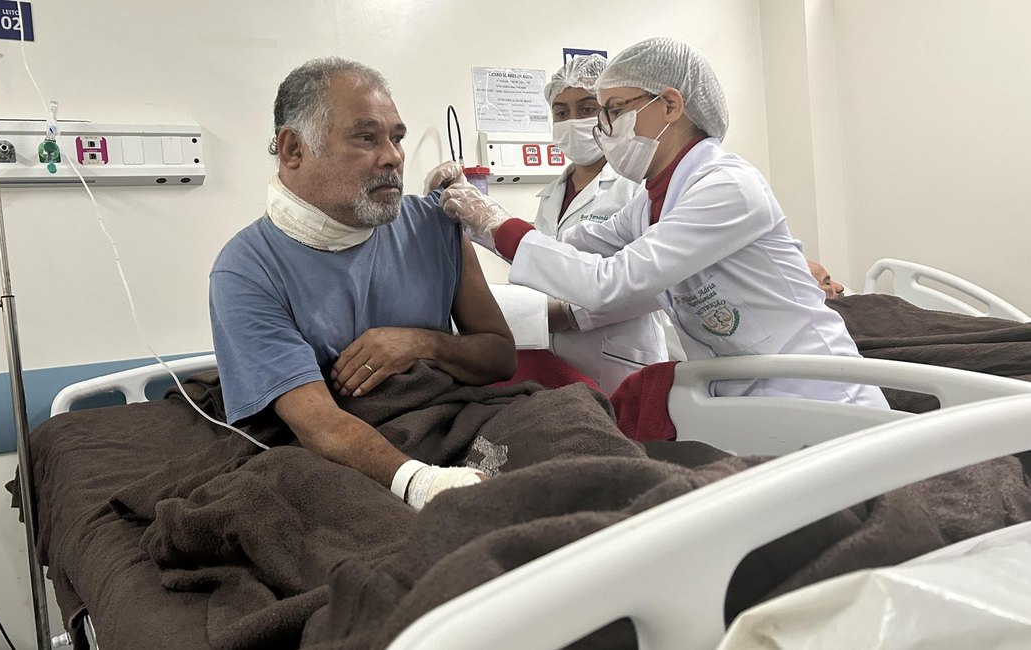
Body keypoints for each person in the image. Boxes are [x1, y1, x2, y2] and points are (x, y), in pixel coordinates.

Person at [436, 38, 888, 407]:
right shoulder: (657, 199)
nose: (601, 129)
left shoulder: (726, 186)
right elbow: (575, 242)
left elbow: (610, 283)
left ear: (669, 104)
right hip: (744, 389)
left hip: (819, 393)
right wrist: (476, 217)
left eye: (611, 110)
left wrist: (496, 224)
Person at [209, 58, 517, 510]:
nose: (392, 156)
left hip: (452, 421)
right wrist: (422, 484)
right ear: (293, 150)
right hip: (355, 452)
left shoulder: (434, 226)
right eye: (366, 137)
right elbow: (319, 425)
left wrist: (419, 343)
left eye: (397, 137)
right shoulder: (247, 269)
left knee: (571, 425)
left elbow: (500, 357)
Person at [536, 54, 670, 392]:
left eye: (585, 108)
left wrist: (569, 314)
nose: (573, 121)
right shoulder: (549, 196)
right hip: (555, 359)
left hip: (620, 357)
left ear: (610, 113)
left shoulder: (636, 186)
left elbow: (657, 284)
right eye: (561, 113)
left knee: (633, 438)